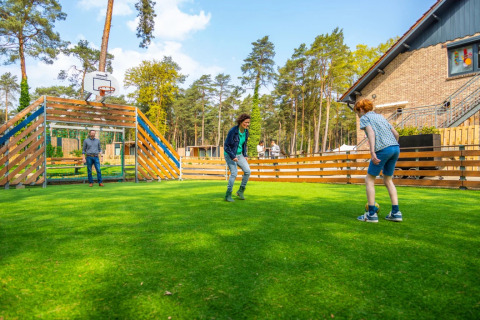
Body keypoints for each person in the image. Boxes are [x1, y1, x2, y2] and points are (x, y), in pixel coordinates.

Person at [354, 99, 402, 223]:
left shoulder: (365, 117)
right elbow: (396, 134)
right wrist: (393, 146)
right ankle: (396, 213)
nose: (358, 115)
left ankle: (371, 214)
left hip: (382, 149)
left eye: (357, 112)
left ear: (361, 109)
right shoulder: (380, 117)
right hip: (395, 148)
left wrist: (372, 152)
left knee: (369, 179)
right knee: (388, 179)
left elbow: (371, 133)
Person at [223, 114, 251, 202]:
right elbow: (226, 146)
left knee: (247, 171)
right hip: (229, 154)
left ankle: (240, 191)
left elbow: (244, 144)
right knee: (234, 173)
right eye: (246, 122)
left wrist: (245, 155)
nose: (247, 124)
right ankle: (228, 195)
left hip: (239, 154)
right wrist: (233, 156)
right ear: (240, 122)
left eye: (248, 123)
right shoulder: (233, 131)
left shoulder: (246, 132)